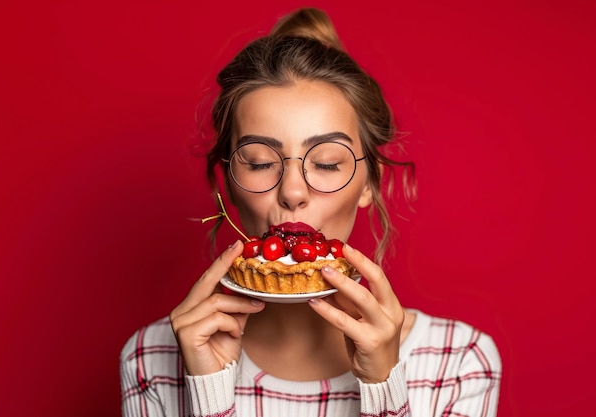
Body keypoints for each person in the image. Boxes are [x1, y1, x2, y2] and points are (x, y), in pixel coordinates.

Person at [120, 7, 501, 417]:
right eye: (261, 162)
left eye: (326, 163)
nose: (293, 191)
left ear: (368, 184)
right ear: (229, 180)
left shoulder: (457, 360)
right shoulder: (152, 359)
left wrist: (384, 386)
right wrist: (210, 393)